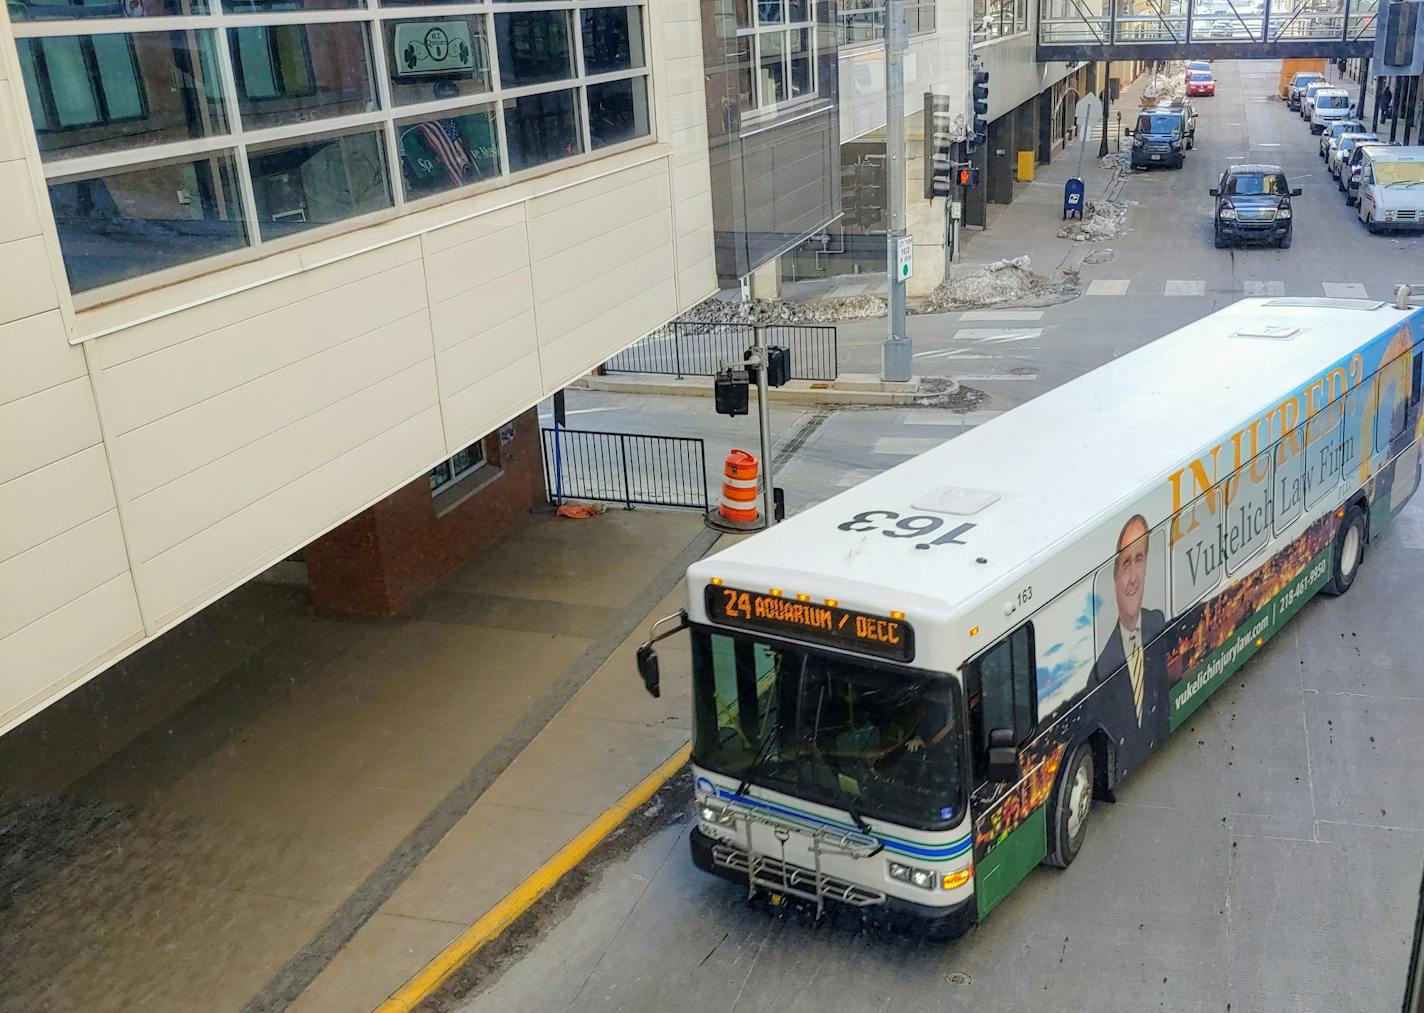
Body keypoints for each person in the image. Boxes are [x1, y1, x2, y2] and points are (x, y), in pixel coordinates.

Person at [1089, 515, 1169, 779]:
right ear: (1114, 580)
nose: (1134, 577)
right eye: (1125, 565)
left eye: (1139, 560)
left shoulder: (1157, 623)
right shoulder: (1101, 670)